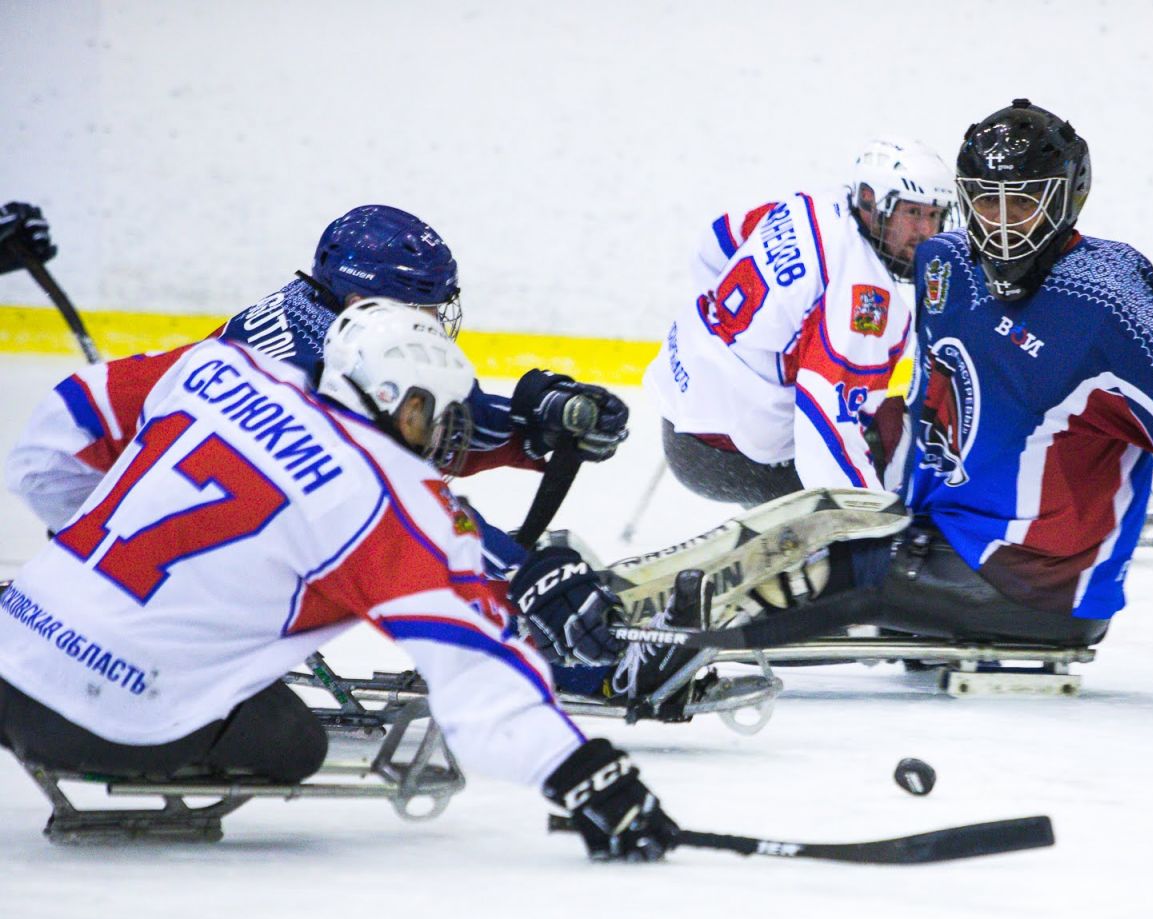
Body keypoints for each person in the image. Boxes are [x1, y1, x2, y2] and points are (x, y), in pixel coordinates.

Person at [0, 299, 678, 860]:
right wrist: (585, 776)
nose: (440, 432)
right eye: (430, 412)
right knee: (298, 743)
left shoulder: (216, 367)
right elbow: (476, 669)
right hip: (107, 723)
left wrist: (88, 585)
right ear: (397, 403)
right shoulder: (386, 496)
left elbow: (53, 441)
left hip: (11, 650)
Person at [779, 101, 1153, 697]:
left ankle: (680, 633)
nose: (1002, 223)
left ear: (1065, 200)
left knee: (793, 579)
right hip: (942, 534)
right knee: (804, 523)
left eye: (1023, 203)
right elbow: (942, 395)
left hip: (1030, 582)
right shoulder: (943, 264)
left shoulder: (1111, 305)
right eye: (987, 200)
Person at [643, 139, 957, 506]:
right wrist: (862, 524)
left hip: (680, 402)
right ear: (871, 201)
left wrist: (722, 350)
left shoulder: (809, 206)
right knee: (896, 432)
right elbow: (826, 416)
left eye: (934, 215)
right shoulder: (866, 296)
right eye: (913, 213)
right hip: (729, 458)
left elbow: (716, 242)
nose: (926, 233)